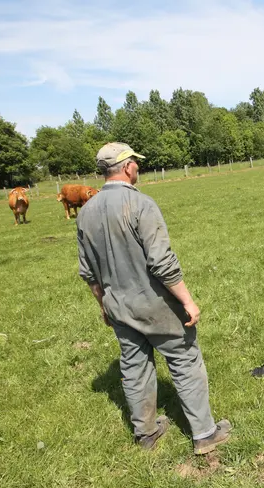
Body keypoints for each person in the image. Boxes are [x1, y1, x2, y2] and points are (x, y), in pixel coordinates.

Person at [76, 142, 231, 453]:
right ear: (127, 167)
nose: (138, 167)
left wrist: (104, 306)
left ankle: (146, 433)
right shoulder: (142, 205)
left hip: (118, 306)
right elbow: (161, 262)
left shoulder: (85, 212)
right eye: (135, 162)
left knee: (134, 366)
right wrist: (187, 300)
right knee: (185, 360)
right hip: (156, 305)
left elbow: (89, 272)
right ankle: (204, 434)